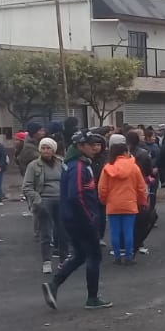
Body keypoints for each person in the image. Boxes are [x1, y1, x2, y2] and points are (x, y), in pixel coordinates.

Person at [43, 132, 111, 310]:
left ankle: (54, 284)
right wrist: (90, 218)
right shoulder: (78, 167)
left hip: (71, 217)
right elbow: (77, 196)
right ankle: (93, 298)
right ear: (80, 147)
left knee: (80, 255)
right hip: (81, 219)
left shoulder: (71, 164)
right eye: (90, 144)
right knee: (94, 256)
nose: (94, 148)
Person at [98, 133, 148, 264]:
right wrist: (143, 201)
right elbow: (141, 187)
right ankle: (128, 256)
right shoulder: (134, 167)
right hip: (130, 204)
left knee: (114, 231)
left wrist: (104, 201)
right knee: (128, 231)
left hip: (113, 204)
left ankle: (117, 256)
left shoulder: (107, 168)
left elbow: (102, 188)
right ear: (126, 152)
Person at [23, 136, 68, 275]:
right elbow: (27, 187)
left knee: (63, 232)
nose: (46, 150)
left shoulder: (61, 163)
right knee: (46, 233)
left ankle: (63, 260)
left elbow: (67, 181)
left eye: (48, 148)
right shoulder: (33, 166)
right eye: (43, 148)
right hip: (44, 200)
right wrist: (37, 200)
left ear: (53, 150)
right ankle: (46, 261)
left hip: (61, 200)